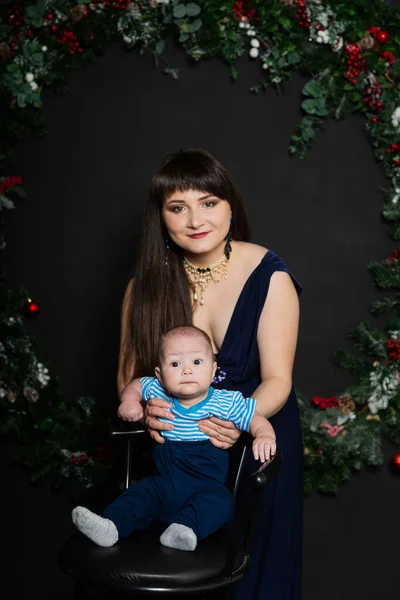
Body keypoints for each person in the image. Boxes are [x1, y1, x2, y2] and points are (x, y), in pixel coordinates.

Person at [117, 148, 303, 599]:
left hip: (253, 449)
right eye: (177, 208)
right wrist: (148, 412)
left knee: (254, 580)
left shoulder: (268, 275)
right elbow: (127, 378)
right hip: (175, 457)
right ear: (161, 218)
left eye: (209, 203)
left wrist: (234, 422)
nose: (195, 219)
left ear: (230, 206)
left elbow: (278, 378)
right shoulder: (141, 288)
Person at [72, 324, 276, 551]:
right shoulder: (157, 390)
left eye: (197, 362)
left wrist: (264, 435)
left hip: (204, 487)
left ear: (213, 370)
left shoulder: (225, 402)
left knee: (221, 502)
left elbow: (254, 418)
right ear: (160, 375)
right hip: (162, 484)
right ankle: (110, 527)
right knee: (138, 495)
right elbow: (136, 385)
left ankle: (183, 530)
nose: (186, 371)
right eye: (175, 364)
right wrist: (130, 401)